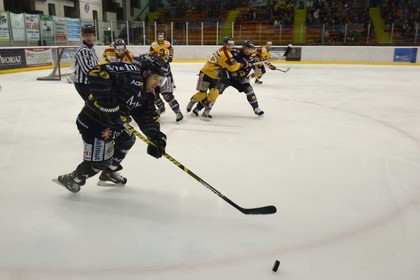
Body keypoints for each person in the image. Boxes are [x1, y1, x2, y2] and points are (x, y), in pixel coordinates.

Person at [54, 55, 169, 193]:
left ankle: (108, 173)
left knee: (127, 140)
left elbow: (147, 115)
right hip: (94, 123)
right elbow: (96, 73)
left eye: (161, 80)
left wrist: (155, 136)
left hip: (114, 124)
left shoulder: (148, 93)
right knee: (98, 163)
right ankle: (72, 178)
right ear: (145, 73)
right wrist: (106, 102)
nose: (157, 83)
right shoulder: (129, 73)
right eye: (156, 78)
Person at [192, 41, 264, 116]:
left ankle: (256, 108)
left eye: (250, 49)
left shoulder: (252, 58)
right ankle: (198, 108)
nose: (248, 51)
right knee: (214, 93)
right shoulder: (234, 52)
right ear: (243, 47)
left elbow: (254, 72)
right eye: (247, 48)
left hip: (240, 79)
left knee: (249, 90)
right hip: (226, 77)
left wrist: (254, 70)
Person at [186, 37, 247, 119]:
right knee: (202, 94)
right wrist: (242, 65)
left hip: (215, 76)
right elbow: (232, 67)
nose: (230, 46)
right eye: (228, 44)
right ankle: (192, 101)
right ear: (225, 44)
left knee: (214, 93)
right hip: (206, 74)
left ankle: (206, 112)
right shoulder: (225, 54)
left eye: (232, 44)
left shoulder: (224, 51)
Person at [149, 32, 183, 122]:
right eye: (159, 36)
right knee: (153, 94)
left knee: (167, 96)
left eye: (162, 37)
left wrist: (170, 57)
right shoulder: (153, 44)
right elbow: (150, 54)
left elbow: (171, 50)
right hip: (155, 75)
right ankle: (161, 107)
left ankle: (178, 112)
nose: (160, 38)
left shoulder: (167, 44)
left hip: (165, 75)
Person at [72, 24, 99, 100]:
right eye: (86, 35)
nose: (88, 38)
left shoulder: (91, 49)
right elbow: (88, 70)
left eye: (90, 35)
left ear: (94, 36)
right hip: (83, 84)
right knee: (93, 105)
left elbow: (95, 65)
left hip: (89, 83)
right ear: (83, 37)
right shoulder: (83, 50)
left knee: (92, 105)